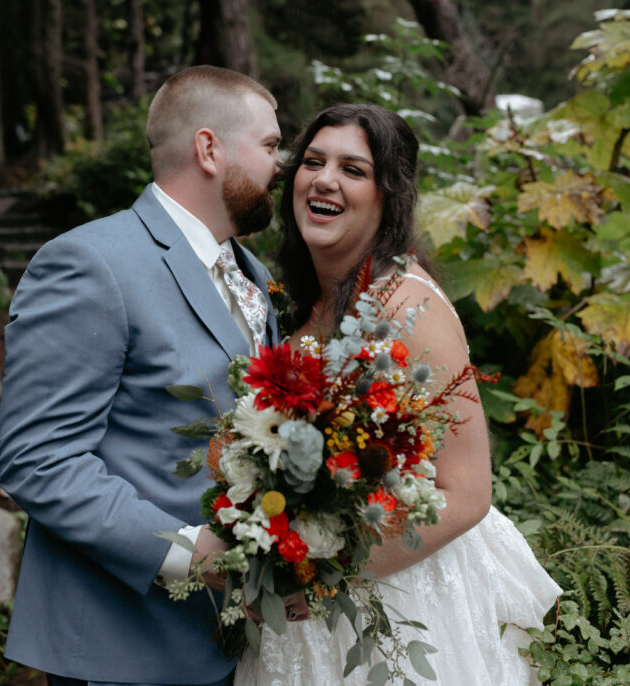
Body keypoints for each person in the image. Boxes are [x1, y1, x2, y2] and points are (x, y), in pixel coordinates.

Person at [234, 104, 562, 685]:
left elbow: (466, 493)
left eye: (353, 169)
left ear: (389, 196)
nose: (325, 179)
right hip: (304, 607)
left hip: (400, 603)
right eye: (313, 161)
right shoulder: (301, 307)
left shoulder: (408, 306)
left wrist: (325, 573)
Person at [0, 65, 295, 686]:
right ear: (208, 148)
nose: (282, 164)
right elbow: (38, 458)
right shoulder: (91, 263)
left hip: (225, 639)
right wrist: (187, 553)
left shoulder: (255, 277)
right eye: (269, 146)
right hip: (118, 645)